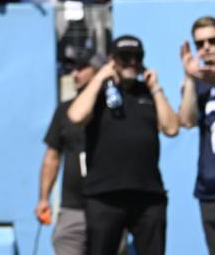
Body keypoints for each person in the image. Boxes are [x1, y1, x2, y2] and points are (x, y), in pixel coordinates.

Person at [67, 36, 179, 255]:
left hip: (148, 195)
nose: (132, 63)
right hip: (105, 195)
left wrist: (155, 87)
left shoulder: (147, 92)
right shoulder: (97, 93)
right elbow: (76, 115)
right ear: (112, 60)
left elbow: (172, 128)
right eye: (125, 57)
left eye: (137, 57)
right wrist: (100, 77)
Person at [36, 45, 104, 255]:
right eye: (72, 68)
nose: (74, 73)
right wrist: (44, 198)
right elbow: (52, 157)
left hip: (107, 209)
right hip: (73, 209)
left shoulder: (112, 109)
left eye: (81, 68)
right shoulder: (65, 110)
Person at [178, 16, 215, 254]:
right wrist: (190, 79)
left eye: (213, 40)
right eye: (200, 43)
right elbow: (187, 121)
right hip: (209, 190)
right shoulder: (198, 84)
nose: (207, 47)